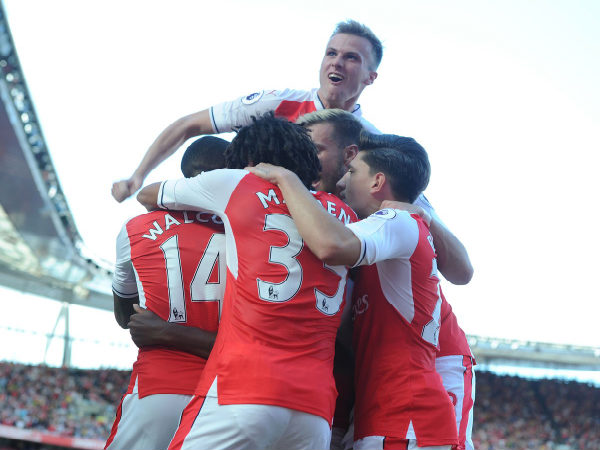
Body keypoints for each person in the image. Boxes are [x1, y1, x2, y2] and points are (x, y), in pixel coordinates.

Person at [137, 113, 358, 450]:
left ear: (251, 161)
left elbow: (148, 195)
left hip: (244, 387)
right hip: (315, 411)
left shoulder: (237, 184)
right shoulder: (344, 215)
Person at [246, 134, 459, 449]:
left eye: (353, 172)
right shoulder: (396, 230)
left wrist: (286, 178)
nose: (342, 182)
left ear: (377, 182)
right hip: (386, 414)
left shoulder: (396, 219)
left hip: (406, 417)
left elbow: (332, 245)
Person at [295, 110, 476, 450]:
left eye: (319, 149)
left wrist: (284, 185)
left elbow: (463, 271)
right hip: (378, 399)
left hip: (434, 370)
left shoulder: (395, 217)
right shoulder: (363, 222)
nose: (343, 180)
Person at [111, 19, 382, 203]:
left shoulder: (375, 142)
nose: (336, 63)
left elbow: (408, 201)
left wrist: (425, 218)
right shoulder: (276, 104)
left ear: (371, 77)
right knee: (209, 151)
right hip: (247, 226)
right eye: (331, 53)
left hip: (319, 246)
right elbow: (189, 125)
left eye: (351, 57)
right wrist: (138, 176)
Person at [105, 136, 229, 450]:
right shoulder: (249, 231)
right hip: (229, 398)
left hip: (157, 389)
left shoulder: (135, 228)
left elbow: (126, 318)